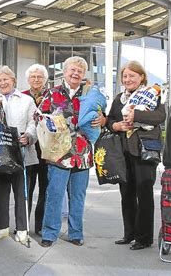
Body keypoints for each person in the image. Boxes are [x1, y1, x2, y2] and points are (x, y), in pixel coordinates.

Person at [37, 56, 105, 248]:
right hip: (59, 153)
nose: (76, 74)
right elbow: (39, 116)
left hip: (82, 154)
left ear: (83, 74)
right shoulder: (52, 93)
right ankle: (50, 233)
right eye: (72, 70)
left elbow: (102, 116)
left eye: (80, 71)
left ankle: (76, 233)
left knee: (78, 196)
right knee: (55, 194)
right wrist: (52, 124)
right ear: (65, 72)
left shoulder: (90, 94)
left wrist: (102, 119)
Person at [106, 61, 165, 250]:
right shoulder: (119, 99)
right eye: (125, 76)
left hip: (144, 151)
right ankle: (129, 233)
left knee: (144, 194)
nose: (128, 79)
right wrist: (115, 125)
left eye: (132, 75)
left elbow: (159, 117)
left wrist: (135, 116)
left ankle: (144, 238)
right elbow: (110, 120)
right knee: (127, 195)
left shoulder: (152, 94)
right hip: (123, 153)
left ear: (142, 77)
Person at [0, 65, 38, 244]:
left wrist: (28, 136)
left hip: (22, 153)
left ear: (13, 80)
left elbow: (33, 122)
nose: (3, 82)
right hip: (0, 154)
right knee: (1, 193)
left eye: (6, 79)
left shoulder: (27, 100)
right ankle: (2, 227)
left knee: (22, 193)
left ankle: (22, 229)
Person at [22, 63, 49, 236]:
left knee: (45, 190)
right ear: (28, 79)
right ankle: (23, 223)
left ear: (45, 79)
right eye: (33, 77)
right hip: (29, 148)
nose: (36, 79)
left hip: (47, 149)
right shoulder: (22, 96)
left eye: (39, 77)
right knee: (27, 189)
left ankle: (40, 226)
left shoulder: (52, 96)